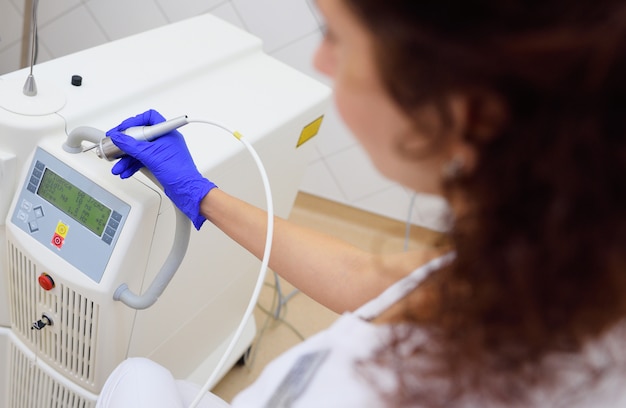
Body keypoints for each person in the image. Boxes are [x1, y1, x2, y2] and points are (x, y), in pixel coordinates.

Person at [97, 0, 626, 406]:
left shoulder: (376, 388)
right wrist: (202, 195)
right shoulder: (560, 248)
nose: (321, 60)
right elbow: (367, 278)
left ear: (467, 104)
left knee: (136, 377)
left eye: (336, 36)